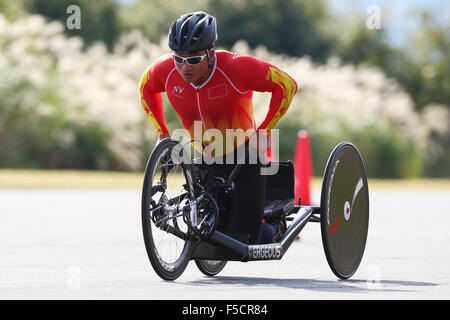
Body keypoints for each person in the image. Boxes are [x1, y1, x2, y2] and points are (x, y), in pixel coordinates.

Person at [138, 11, 298, 244]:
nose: (184, 67)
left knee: (245, 239)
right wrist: (162, 132)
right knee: (213, 235)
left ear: (211, 54)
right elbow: (145, 88)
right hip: (202, 157)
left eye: (193, 60)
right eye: (178, 59)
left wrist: (264, 131)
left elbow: (287, 86)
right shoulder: (165, 70)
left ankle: (277, 224)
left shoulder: (236, 67)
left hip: (245, 156)